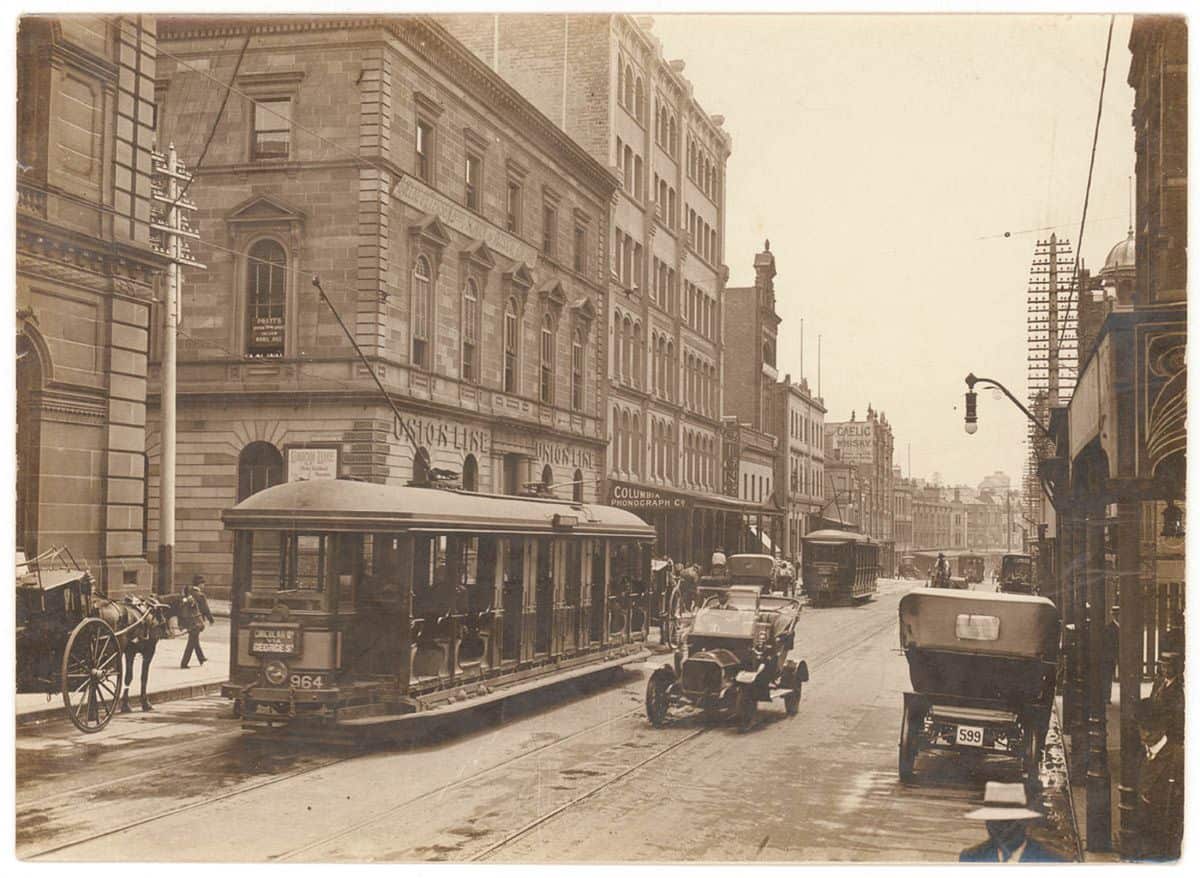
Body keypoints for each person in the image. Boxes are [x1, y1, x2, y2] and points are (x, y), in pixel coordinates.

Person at [959, 782, 1067, 862]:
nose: (1001, 830)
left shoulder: (1052, 861)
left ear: (1025, 822)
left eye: (1008, 822)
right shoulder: (971, 858)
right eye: (994, 822)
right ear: (988, 824)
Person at [1131, 698, 1183, 861]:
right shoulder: (1140, 753)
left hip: (1164, 846)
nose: (1145, 734)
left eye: (1151, 729)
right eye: (1142, 728)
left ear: (1163, 727)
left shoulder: (1178, 759)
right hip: (1144, 841)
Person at [179, 575, 215, 669]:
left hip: (188, 620)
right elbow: (205, 609)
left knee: (195, 639)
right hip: (196, 621)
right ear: (199, 584)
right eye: (203, 584)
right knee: (192, 642)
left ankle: (201, 657)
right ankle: (184, 663)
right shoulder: (200, 595)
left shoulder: (189, 592)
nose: (204, 586)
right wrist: (210, 619)